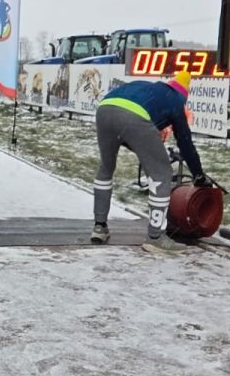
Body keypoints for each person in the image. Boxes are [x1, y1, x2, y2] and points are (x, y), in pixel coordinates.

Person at [91, 69, 215, 253]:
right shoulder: (176, 101)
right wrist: (198, 175)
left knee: (106, 166)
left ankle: (99, 227)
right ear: (184, 96)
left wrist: (142, 147)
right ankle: (156, 237)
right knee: (162, 173)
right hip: (134, 116)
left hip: (105, 108)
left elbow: (128, 134)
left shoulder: (149, 88)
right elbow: (185, 143)